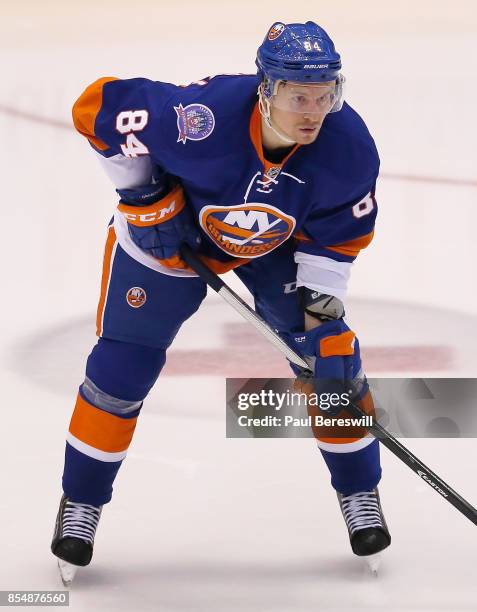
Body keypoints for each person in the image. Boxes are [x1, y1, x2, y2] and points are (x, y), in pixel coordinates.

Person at [51, 21, 391, 579]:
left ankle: (360, 495)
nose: (313, 110)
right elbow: (96, 108)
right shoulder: (199, 118)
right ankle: (81, 505)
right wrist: (143, 197)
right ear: (265, 88)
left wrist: (322, 325)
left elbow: (336, 244)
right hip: (169, 241)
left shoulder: (349, 150)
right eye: (297, 95)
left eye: (325, 95)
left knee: (333, 366)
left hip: (272, 248)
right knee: (120, 369)